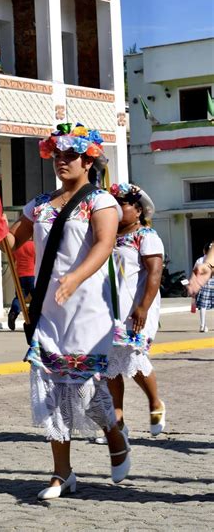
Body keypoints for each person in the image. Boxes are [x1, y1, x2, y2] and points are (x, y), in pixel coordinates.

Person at [2, 123, 130, 501]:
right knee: (51, 390)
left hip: (88, 309)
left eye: (71, 154)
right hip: (48, 310)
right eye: (57, 154)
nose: (62, 160)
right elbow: (12, 243)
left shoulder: (100, 201)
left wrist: (74, 277)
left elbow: (104, 245)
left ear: (88, 160)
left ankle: (115, 437)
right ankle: (62, 473)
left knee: (88, 388)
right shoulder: (39, 204)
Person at [105, 183, 166, 438]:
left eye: (122, 205)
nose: (117, 210)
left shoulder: (146, 236)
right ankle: (117, 419)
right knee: (109, 364)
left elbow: (154, 273)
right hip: (109, 308)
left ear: (138, 210)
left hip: (137, 307)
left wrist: (143, 307)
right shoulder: (106, 236)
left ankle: (155, 402)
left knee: (133, 357)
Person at [7, 238, 35, 330]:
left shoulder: (17, 246)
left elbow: (12, 259)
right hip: (32, 275)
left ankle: (13, 313)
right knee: (36, 298)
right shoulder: (34, 245)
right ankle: (33, 318)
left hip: (20, 275)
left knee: (19, 297)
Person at [192, 242, 214, 333]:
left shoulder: (200, 260)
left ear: (204, 251)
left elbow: (195, 272)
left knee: (203, 305)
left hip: (203, 283)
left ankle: (202, 325)